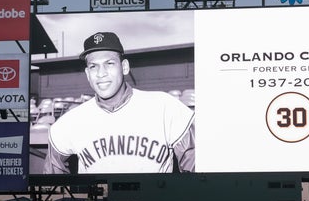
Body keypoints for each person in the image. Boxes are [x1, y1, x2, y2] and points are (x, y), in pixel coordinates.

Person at [43, 31, 195, 174]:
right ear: (88, 74)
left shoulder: (165, 107)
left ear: (124, 67)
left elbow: (197, 170)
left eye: (109, 64)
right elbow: (52, 184)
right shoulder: (70, 122)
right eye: (93, 66)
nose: (101, 73)